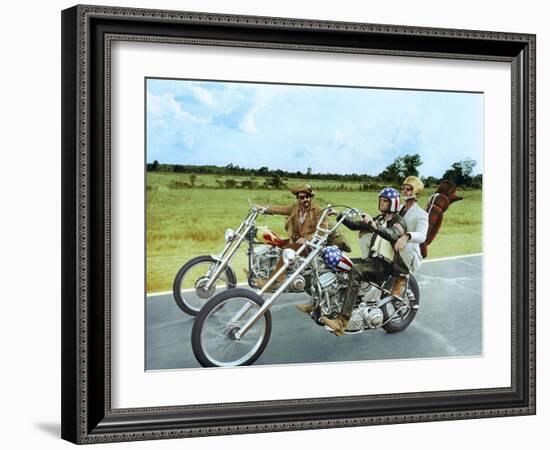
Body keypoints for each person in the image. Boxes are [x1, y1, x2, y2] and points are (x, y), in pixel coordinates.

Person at [321, 187, 407, 336]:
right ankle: (324, 306)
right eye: (381, 200)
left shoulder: (398, 221)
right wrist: (339, 215)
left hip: (385, 266)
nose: (382, 203)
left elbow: (393, 235)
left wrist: (374, 225)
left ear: (393, 203)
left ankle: (342, 322)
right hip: (371, 260)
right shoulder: (380, 219)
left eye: (385, 201)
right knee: (339, 264)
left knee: (355, 271)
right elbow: (356, 225)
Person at [256, 184, 328, 299]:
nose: (305, 200)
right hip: (297, 242)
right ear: (298, 199)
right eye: (302, 197)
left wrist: (307, 239)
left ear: (310, 197)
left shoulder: (317, 210)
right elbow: (281, 209)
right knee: (275, 244)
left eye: (307, 197)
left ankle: (275, 282)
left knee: (288, 250)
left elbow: (323, 230)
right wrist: (263, 209)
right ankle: (264, 273)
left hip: (312, 245)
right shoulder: (296, 208)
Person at [392, 176, 429, 294]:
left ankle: (403, 277)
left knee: (406, 244)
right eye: (403, 188)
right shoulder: (398, 208)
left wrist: (407, 236)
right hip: (394, 248)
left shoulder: (421, 214)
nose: (404, 191)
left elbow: (422, 236)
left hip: (409, 253)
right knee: (366, 236)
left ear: (416, 192)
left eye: (408, 189)